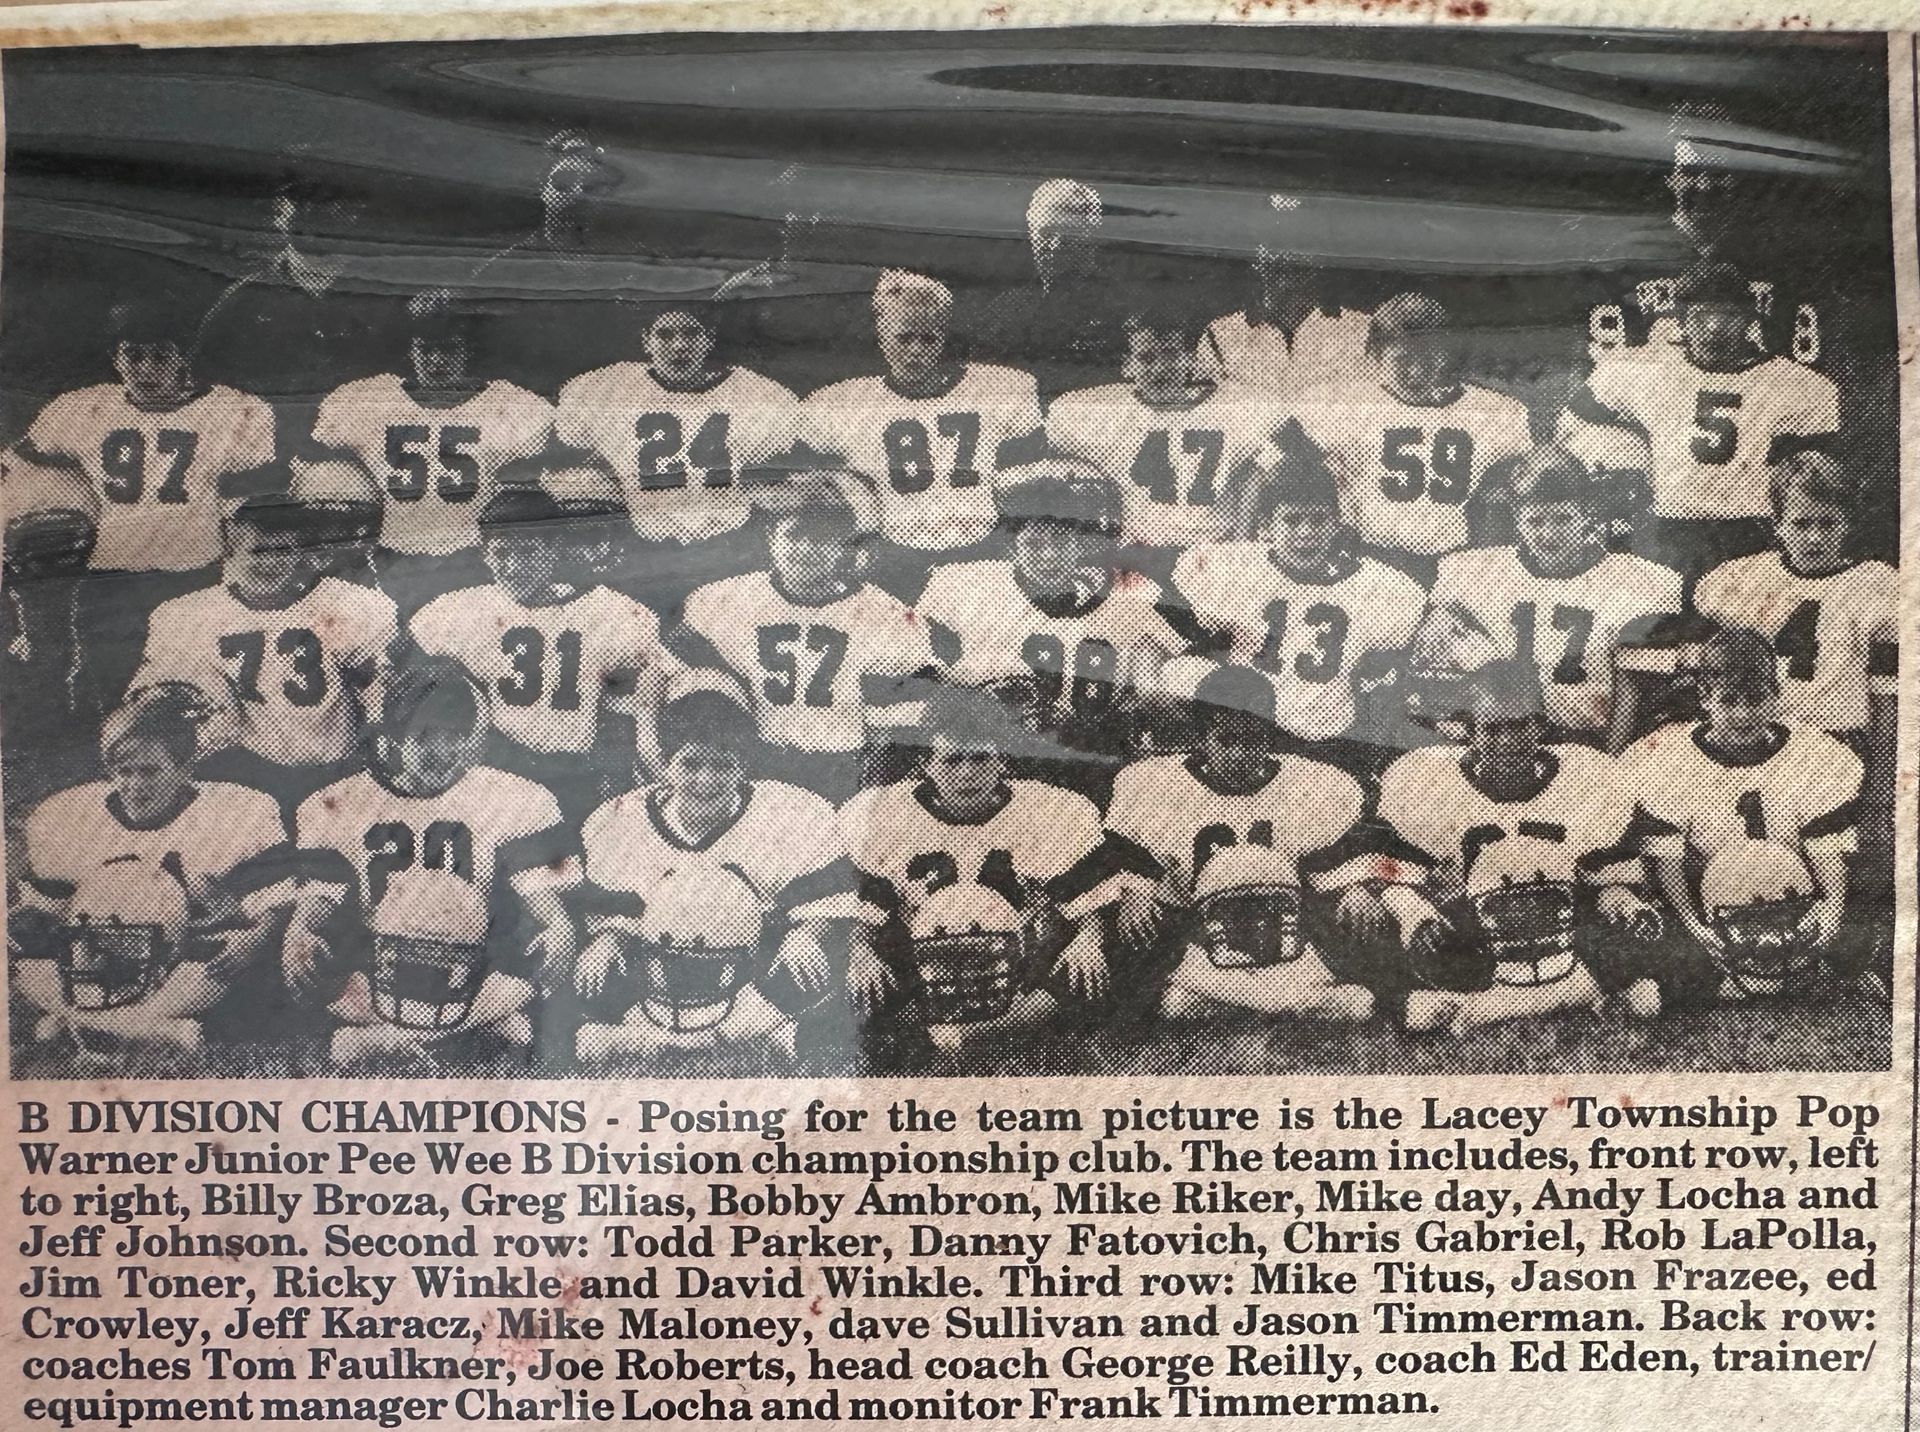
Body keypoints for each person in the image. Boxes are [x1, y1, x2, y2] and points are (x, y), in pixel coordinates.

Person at [286, 658, 579, 1068]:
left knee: (517, 1004)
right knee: (507, 1032)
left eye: (453, 736)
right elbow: (317, 904)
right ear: (394, 736)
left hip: (475, 974)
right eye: (425, 735)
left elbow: (543, 903)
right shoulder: (341, 802)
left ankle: (392, 1042)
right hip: (377, 972)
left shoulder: (510, 798)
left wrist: (559, 926)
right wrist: (300, 931)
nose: (440, 750)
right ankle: (443, 1038)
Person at [1374, 660, 1689, 1036]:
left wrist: (1621, 896)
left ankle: (1486, 1008)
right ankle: (1584, 993)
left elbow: (1648, 844)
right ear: (1468, 731)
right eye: (1492, 729)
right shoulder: (1428, 780)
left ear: (1540, 725)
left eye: (1520, 726)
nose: (1507, 742)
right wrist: (1410, 907)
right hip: (1473, 924)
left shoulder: (1584, 773)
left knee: (1660, 945)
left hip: (1565, 918)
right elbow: (1388, 865)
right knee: (1394, 932)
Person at [573, 673, 859, 1068]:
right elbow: (619, 917)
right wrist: (607, 938)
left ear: (743, 766)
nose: (706, 780)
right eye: (691, 764)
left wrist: (807, 933)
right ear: (666, 765)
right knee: (596, 965)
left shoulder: (789, 812)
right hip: (658, 971)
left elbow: (827, 904)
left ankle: (696, 1038)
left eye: (721, 766)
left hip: (753, 974)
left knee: (814, 958)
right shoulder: (622, 820)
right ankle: (658, 1032)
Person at [1104, 664, 1395, 1026]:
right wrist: (1134, 886)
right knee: (1149, 975)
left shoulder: (1307, 782)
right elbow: (1117, 852)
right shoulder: (1156, 783)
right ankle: (1292, 1003)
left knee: (1181, 1007)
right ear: (1202, 738)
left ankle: (1231, 1001)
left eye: (1253, 740)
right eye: (1227, 740)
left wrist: (1357, 884)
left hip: (1286, 933)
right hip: (1196, 935)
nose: (1241, 753)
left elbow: (1355, 852)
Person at [9, 695, 290, 1068]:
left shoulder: (234, 813)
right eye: (123, 771)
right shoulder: (71, 814)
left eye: (149, 771)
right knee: (28, 963)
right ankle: (142, 1027)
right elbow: (47, 912)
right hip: (95, 958)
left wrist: (252, 938)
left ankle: (81, 1022)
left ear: (185, 766)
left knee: (222, 960)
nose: (134, 785)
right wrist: (32, 923)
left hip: (180, 962)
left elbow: (274, 902)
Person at [841, 687, 1118, 1062]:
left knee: (1086, 982)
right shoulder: (886, 812)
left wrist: (1088, 939)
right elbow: (862, 898)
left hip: (1019, 966)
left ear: (1002, 760)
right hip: (918, 965)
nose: (967, 774)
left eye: (980, 759)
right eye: (952, 761)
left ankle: (977, 1029)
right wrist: (860, 951)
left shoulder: (1045, 808)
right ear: (925, 764)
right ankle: (962, 1029)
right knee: (861, 998)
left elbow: (1085, 891)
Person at [17, 296, 276, 697]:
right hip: (110, 575)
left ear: (186, 357)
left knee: (189, 685)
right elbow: (22, 462)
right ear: (115, 358)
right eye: (134, 356)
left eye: (160, 356)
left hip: (195, 574)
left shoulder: (232, 411)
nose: (146, 369)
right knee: (99, 683)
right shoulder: (86, 409)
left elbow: (254, 500)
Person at [127, 477, 398, 818]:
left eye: (282, 551)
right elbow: (147, 717)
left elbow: (378, 692)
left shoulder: (346, 603)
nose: (269, 563)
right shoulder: (185, 617)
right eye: (256, 551)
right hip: (234, 780)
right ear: (230, 548)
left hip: (335, 772)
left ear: (301, 551)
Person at [918, 458, 1184, 802]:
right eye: (1034, 544)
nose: (1049, 555)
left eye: (1061, 541)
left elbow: (1166, 664)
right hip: (1006, 766)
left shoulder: (1126, 599)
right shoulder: (974, 590)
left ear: (1080, 544)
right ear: (1013, 548)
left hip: (1094, 762)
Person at [1620, 627, 1862, 1002]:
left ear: (1776, 694)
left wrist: (1829, 909)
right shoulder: (1669, 756)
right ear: (1705, 697)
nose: (1744, 713)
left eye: (1756, 699)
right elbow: (1668, 863)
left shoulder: (1813, 753)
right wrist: (1694, 924)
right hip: (1709, 895)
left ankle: (1837, 966)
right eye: (1730, 700)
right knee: (1661, 958)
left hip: (1793, 894)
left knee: (1861, 924)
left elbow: (1826, 853)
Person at [410, 486, 676, 825]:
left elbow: (662, 675)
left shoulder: (606, 610)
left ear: (553, 552)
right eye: (502, 553)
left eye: (528, 552)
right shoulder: (462, 610)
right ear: (485, 554)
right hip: (495, 768)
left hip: (575, 771)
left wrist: (647, 740)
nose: (513, 565)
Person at [673, 469, 936, 802]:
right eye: (794, 534)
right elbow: (682, 667)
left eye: (821, 537)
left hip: (840, 765)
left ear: (843, 546)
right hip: (756, 760)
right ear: (771, 538)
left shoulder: (883, 612)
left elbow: (912, 704)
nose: (806, 549)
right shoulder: (728, 599)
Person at [1567, 262, 1839, 577]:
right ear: (1680, 320)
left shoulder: (1793, 384)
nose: (1713, 328)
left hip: (1754, 527)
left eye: (1727, 316)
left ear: (1750, 319)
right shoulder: (1646, 371)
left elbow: (1815, 473)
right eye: (1700, 317)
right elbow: (1576, 420)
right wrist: (1623, 456)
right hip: (1672, 527)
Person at [1171, 426, 1425, 761]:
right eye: (1292, 521)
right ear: (1266, 527)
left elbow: (1397, 656)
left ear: (1336, 524)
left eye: (1318, 521)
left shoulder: (1377, 584)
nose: (1306, 533)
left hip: (1326, 737)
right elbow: (1178, 603)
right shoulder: (1235, 567)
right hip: (1247, 734)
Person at [1416, 444, 1682, 751]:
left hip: (1590, 742)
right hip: (1501, 739)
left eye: (1562, 519)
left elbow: (1637, 694)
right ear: (1516, 519)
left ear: (1587, 515)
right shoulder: (1473, 571)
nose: (1548, 535)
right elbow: (1433, 666)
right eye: (1535, 521)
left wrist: (1610, 763)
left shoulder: (1641, 580)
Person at [311, 289, 555, 615]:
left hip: (473, 557)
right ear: (409, 351)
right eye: (426, 349)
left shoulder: (508, 406)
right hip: (391, 554)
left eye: (448, 350)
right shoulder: (370, 401)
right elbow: (327, 468)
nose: (437, 360)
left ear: (468, 351)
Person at [802, 271, 1044, 600]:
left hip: (981, 554)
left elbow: (1027, 482)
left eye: (928, 339)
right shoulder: (841, 403)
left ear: (943, 337)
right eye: (905, 338)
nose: (917, 350)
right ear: (881, 333)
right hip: (888, 562)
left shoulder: (1000, 389)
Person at [555, 295, 802, 609]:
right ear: (646, 340)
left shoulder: (757, 394)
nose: (679, 345)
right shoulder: (610, 389)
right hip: (640, 548)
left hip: (729, 546)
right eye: (665, 335)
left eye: (691, 334)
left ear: (709, 340)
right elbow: (572, 458)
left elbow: (779, 474)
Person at [1293, 291, 1531, 583]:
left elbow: (1520, 487)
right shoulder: (1347, 406)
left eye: (1429, 358)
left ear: (1446, 354)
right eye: (1404, 359)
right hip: (1368, 558)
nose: (1418, 371)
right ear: (1377, 356)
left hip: (1452, 559)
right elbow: (1283, 463)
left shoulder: (1493, 411)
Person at [1047, 302, 1276, 578]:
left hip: (1212, 547)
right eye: (1146, 358)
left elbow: (1261, 469)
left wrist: (1238, 543)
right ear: (1127, 366)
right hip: (1137, 553)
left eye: (1170, 353)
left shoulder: (1232, 407)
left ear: (1192, 359)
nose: (1161, 368)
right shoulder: (1104, 411)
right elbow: (1064, 469)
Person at [1693, 448, 1897, 744]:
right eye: (1801, 524)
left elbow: (1887, 697)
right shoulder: (1744, 577)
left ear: (1847, 524)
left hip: (1839, 737)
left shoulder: (1873, 583)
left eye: (1827, 523)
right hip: (1762, 738)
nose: (1814, 537)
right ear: (1778, 525)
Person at [195, 167, 390, 430]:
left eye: (327, 202)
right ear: (281, 214)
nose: (310, 215)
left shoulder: (389, 302)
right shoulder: (244, 304)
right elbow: (209, 389)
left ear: (355, 214)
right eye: (299, 202)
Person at [1200, 196, 1369, 399]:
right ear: (1255, 257)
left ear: (1321, 258)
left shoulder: (1359, 331)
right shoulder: (1220, 336)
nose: (1286, 254)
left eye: (1301, 243)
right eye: (1273, 242)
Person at [975, 179, 1126, 404]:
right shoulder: (1002, 313)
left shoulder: (1125, 310)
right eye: (1046, 234)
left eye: (1067, 236)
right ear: (1032, 236)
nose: (1054, 247)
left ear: (1093, 239)